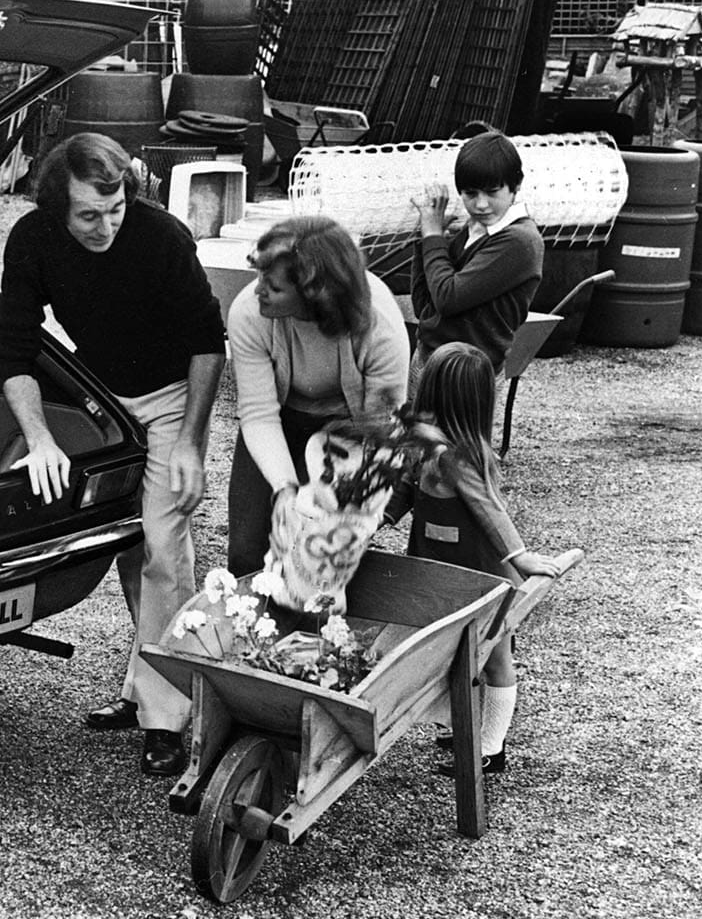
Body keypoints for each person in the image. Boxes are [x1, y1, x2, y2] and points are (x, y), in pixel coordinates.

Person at [0, 132, 226, 778]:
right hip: (104, 401)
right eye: (88, 216)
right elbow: (15, 348)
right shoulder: (32, 239)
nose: (106, 226)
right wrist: (41, 439)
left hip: (173, 398)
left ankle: (166, 718)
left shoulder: (162, 237)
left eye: (116, 208)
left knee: (164, 549)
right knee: (129, 545)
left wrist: (189, 443)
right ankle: (146, 684)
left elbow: (209, 342)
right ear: (56, 208)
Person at [388, 341, 573, 774]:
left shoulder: (463, 459)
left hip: (483, 575)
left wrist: (520, 556)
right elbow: (403, 490)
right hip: (438, 570)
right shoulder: (421, 448)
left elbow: (491, 511)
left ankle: (490, 747)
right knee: (456, 652)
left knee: (495, 658)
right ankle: (466, 725)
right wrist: (380, 517)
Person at [227, 215, 410, 576]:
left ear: (314, 295)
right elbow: (259, 414)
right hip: (278, 420)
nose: (258, 289)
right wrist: (285, 488)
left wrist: (352, 504)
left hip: (348, 431)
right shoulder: (249, 312)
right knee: (248, 550)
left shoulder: (381, 325)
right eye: (260, 276)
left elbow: (382, 430)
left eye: (274, 286)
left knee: (321, 550)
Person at [408, 126, 545, 374]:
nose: (481, 205)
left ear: (516, 186)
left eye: (492, 192)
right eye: (470, 194)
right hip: (429, 360)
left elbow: (448, 298)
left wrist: (433, 235)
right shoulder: (473, 230)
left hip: (467, 375)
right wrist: (424, 240)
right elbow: (424, 308)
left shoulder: (520, 241)